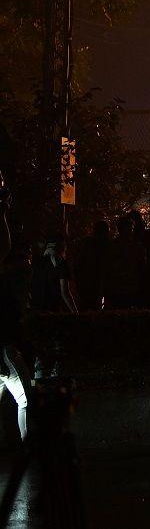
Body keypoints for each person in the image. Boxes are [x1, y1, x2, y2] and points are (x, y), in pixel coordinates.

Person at [0, 188, 29, 441]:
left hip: (5, 348)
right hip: (5, 350)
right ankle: (26, 443)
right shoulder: (5, 283)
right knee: (24, 399)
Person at [104, 216, 146, 310]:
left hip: (128, 287)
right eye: (129, 229)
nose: (130, 231)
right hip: (122, 287)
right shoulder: (135, 246)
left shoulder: (114, 246)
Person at [31, 233, 78, 314]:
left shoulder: (36, 261)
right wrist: (76, 313)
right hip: (53, 310)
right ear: (62, 245)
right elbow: (65, 292)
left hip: (36, 309)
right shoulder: (61, 263)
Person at [75, 220, 111, 311]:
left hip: (87, 283)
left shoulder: (86, 244)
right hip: (93, 283)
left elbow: (78, 264)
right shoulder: (106, 245)